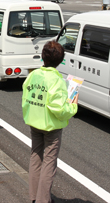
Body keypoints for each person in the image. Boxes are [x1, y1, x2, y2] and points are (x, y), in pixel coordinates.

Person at [22, 41, 78, 203]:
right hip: (51, 126)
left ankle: (34, 197)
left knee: (35, 158)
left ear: (43, 57)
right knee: (49, 163)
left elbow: (26, 96)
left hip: (34, 121)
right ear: (60, 60)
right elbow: (59, 109)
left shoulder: (33, 75)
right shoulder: (57, 80)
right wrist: (72, 106)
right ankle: (43, 200)